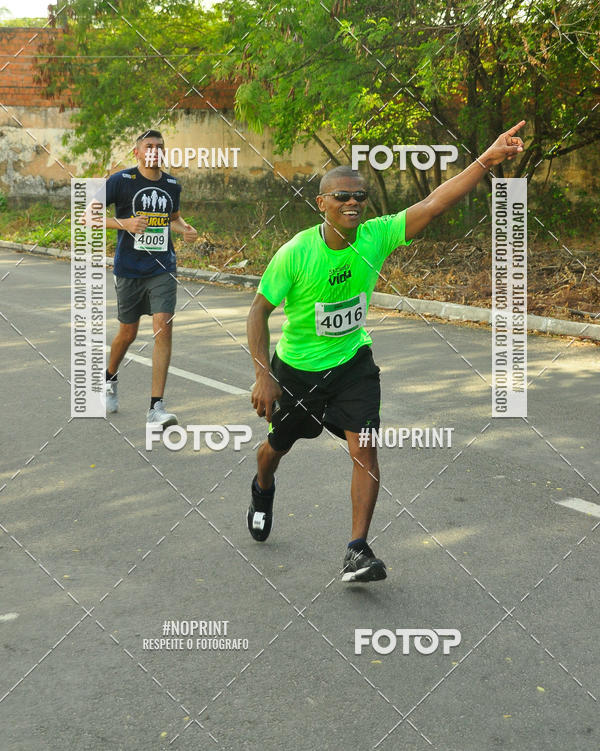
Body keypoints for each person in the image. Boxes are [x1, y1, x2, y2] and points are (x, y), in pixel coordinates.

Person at [246, 121, 526, 582]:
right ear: (322, 205)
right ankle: (261, 487)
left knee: (366, 450)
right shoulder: (296, 253)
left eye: (360, 195)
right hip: (297, 372)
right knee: (275, 449)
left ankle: (357, 550)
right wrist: (263, 374)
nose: (353, 202)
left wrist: (487, 159)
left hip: (353, 364)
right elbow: (257, 312)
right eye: (342, 196)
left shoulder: (377, 235)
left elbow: (435, 203)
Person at [102, 129, 197, 425]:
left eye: (159, 146)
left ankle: (156, 407)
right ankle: (109, 377)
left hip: (162, 267)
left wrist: (186, 229)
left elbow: (173, 218)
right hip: (129, 269)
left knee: (163, 328)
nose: (154, 150)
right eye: (149, 146)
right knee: (127, 334)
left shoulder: (171, 184)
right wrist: (124, 223)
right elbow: (87, 215)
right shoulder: (120, 181)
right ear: (138, 153)